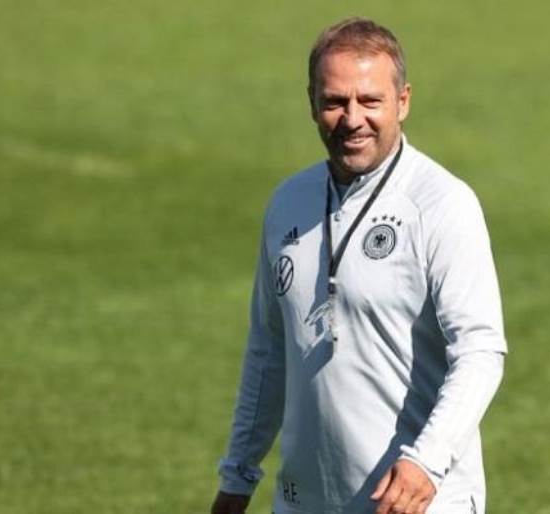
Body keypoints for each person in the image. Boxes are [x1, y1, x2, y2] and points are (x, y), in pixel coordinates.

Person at [211, 17, 508, 514]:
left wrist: (426, 462)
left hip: (417, 502)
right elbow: (268, 351)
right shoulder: (288, 203)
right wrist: (237, 476)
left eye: (370, 101)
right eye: (335, 102)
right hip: (306, 503)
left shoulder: (441, 205)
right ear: (312, 103)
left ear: (403, 101)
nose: (353, 119)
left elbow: (480, 350)